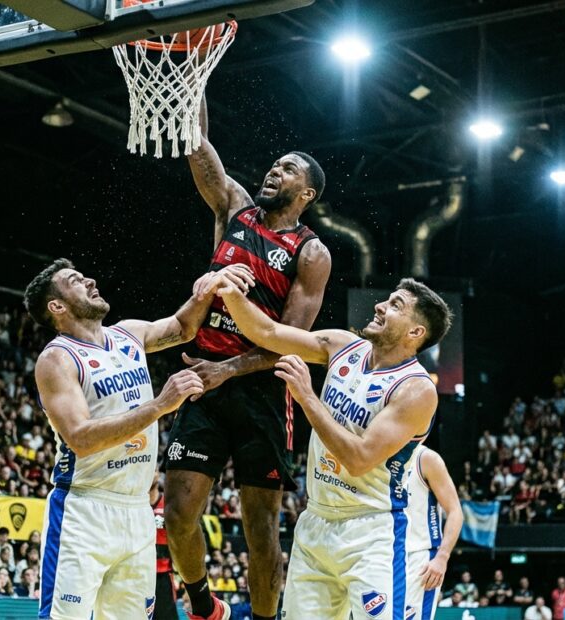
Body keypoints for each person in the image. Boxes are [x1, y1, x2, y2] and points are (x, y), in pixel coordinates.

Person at [168, 96, 332, 620]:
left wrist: (227, 370)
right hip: (202, 382)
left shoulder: (310, 253)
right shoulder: (233, 208)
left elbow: (289, 341)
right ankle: (201, 603)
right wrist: (194, 79)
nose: (273, 170)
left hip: (260, 391)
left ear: (304, 193)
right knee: (176, 514)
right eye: (273, 162)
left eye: (286, 168)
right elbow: (198, 147)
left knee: (261, 531)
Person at [25, 259, 254, 620]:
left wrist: (210, 287)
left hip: (137, 512)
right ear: (57, 306)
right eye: (74, 280)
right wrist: (160, 405)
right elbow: (81, 439)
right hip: (85, 511)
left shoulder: (128, 334)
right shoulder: (57, 360)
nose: (90, 279)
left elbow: (182, 326)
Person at [214, 277, 452, 619]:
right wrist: (228, 292)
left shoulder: (415, 390)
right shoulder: (343, 345)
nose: (380, 306)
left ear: (415, 333)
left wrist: (307, 398)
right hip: (317, 522)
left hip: (372, 534)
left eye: (396, 305)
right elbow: (267, 333)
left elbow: (359, 459)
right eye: (388, 299)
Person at [404, 446, 464, 620]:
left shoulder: (426, 458)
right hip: (383, 554)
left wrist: (442, 557)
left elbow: (455, 512)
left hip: (418, 558)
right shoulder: (377, 453)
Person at [151, 472, 178, 620]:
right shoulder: (134, 505)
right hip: (136, 572)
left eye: (154, 470)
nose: (150, 473)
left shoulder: (168, 505)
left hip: (163, 576)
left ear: (158, 475)